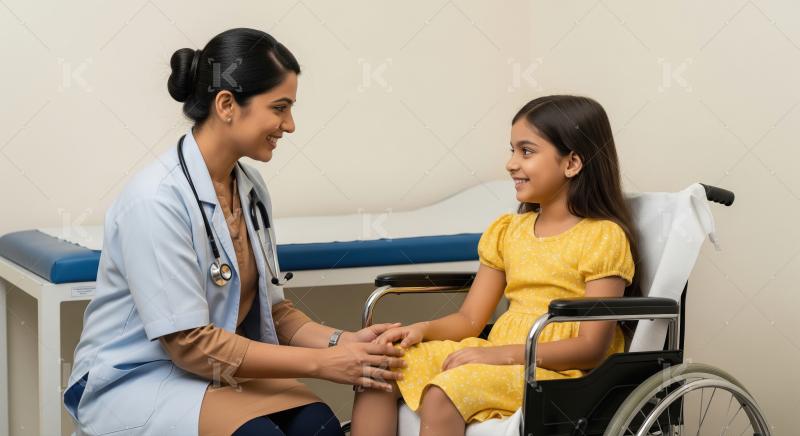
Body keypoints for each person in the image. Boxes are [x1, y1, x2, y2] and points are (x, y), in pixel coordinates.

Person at [63, 28, 405, 436]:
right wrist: (324, 365)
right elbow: (189, 343)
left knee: (320, 428)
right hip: (135, 376)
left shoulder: (251, 189)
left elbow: (273, 311)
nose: (290, 125)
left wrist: (343, 343)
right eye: (279, 107)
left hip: (208, 371)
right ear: (226, 104)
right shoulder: (155, 199)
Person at [351, 95, 640, 436]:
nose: (511, 163)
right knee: (380, 369)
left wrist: (499, 356)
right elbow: (469, 319)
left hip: (559, 371)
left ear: (572, 163)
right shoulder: (508, 231)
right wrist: (422, 330)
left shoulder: (602, 237)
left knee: (446, 392)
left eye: (526, 151)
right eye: (512, 150)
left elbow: (590, 348)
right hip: (501, 353)